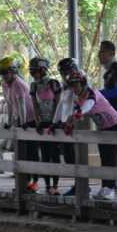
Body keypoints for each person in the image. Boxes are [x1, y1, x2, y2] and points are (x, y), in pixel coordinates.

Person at [63, 69, 117, 200]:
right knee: (104, 157)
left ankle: (110, 189)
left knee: (110, 157)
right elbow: (75, 111)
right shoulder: (78, 98)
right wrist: (69, 121)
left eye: (76, 84)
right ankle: (105, 187)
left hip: (115, 125)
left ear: (83, 83)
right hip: (103, 128)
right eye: (72, 85)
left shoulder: (92, 93)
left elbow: (88, 106)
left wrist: (78, 114)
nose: (74, 88)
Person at [0, 55, 39, 193]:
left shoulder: (19, 84)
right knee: (21, 153)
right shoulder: (5, 84)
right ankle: (23, 183)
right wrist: (9, 122)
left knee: (31, 153)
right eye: (1, 72)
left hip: (30, 120)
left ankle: (34, 183)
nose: (3, 75)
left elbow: (22, 105)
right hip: (20, 120)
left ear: (13, 71)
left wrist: (23, 122)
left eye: (6, 72)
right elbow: (9, 104)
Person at [29, 57, 62, 195]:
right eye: (31, 71)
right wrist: (37, 122)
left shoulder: (53, 83)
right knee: (45, 155)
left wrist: (54, 122)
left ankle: (55, 185)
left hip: (54, 123)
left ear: (43, 70)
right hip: (43, 123)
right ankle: (47, 186)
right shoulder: (34, 85)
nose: (33, 74)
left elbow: (58, 103)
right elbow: (35, 105)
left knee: (55, 155)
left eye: (35, 71)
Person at [97, 40, 117, 194]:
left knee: (109, 153)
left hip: (114, 118)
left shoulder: (116, 70)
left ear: (111, 53)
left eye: (102, 52)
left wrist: (98, 95)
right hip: (107, 117)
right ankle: (116, 182)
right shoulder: (109, 71)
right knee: (112, 152)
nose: (99, 55)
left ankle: (109, 186)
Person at [52, 57, 80, 196]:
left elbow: (80, 104)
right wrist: (54, 122)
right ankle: (77, 184)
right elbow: (61, 104)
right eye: (62, 72)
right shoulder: (65, 85)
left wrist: (73, 120)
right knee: (69, 157)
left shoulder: (79, 82)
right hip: (64, 125)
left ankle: (81, 185)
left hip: (75, 125)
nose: (64, 75)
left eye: (66, 71)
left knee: (76, 156)